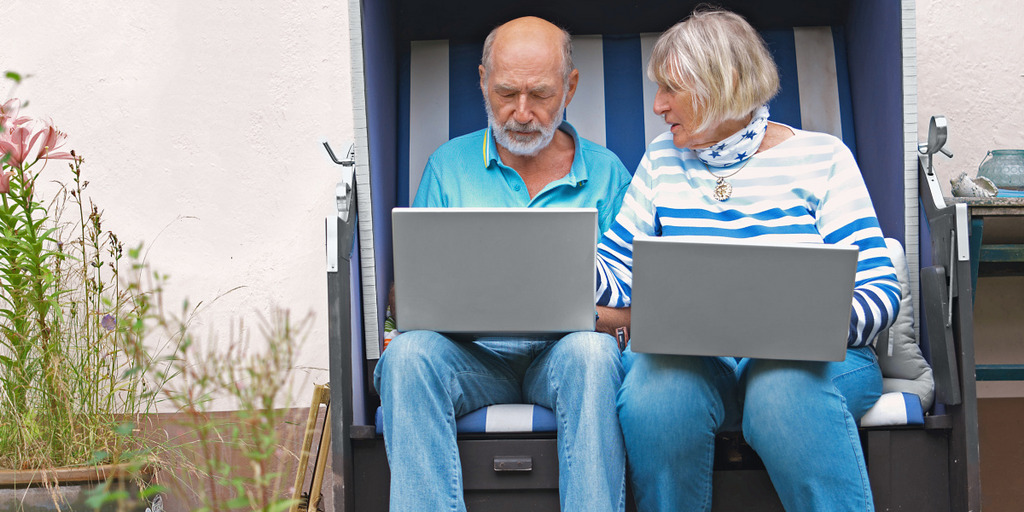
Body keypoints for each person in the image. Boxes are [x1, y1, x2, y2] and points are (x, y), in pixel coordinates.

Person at [595, 9, 901, 512]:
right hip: (701, 361)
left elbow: (880, 293)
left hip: (815, 364)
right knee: (655, 396)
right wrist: (558, 267)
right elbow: (616, 275)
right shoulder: (661, 160)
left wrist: (807, 327)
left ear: (726, 82)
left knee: (782, 391)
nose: (658, 105)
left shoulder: (823, 158)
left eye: (672, 88)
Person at [374, 16, 632, 512]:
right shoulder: (448, 167)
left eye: (540, 95)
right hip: (470, 360)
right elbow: (404, 299)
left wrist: (565, 313)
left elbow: (637, 314)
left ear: (570, 87)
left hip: (563, 359)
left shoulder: (607, 175)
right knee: (406, 358)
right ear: (482, 81)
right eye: (505, 93)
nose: (521, 112)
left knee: (594, 355)